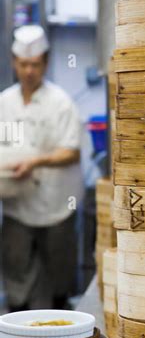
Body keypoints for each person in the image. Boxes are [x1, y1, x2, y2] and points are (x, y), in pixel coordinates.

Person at [0, 25, 83, 311]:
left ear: (45, 63)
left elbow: (71, 152)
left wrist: (36, 161)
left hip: (56, 203)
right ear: (14, 62)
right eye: (23, 64)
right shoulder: (5, 103)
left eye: (35, 64)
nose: (29, 71)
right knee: (15, 267)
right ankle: (16, 324)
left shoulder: (60, 103)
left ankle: (60, 321)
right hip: (17, 204)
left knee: (59, 272)